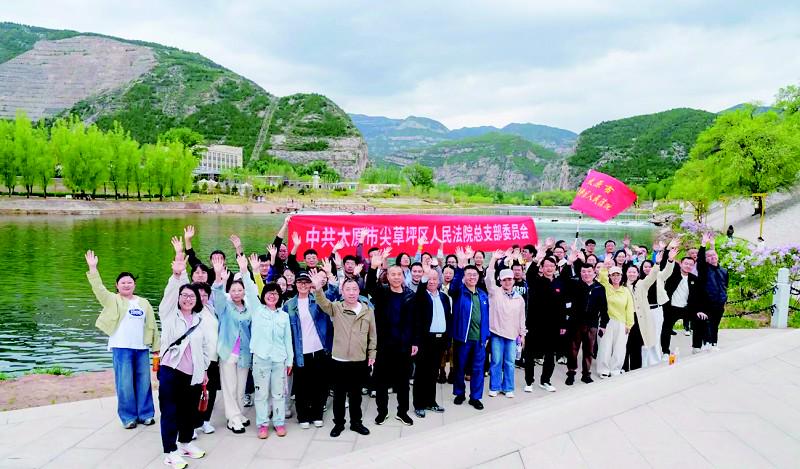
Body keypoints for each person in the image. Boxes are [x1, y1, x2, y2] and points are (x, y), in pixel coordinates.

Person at [84, 250, 159, 429]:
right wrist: (93, 269)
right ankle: (128, 417)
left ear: (134, 284)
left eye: (129, 282)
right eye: (123, 282)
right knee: (125, 383)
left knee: (144, 382)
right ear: (117, 286)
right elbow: (99, 289)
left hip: (141, 348)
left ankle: (146, 414)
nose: (126, 285)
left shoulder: (143, 302)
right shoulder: (113, 300)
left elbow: (152, 325)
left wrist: (156, 348)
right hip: (121, 347)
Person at [157, 251, 209, 469]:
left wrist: (204, 371)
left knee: (189, 410)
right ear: (178, 298)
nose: (187, 299)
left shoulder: (199, 319)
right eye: (184, 295)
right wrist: (176, 275)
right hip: (171, 370)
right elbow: (170, 295)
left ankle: (185, 443)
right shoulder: (169, 314)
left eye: (191, 296)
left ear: (197, 300)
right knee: (170, 411)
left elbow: (204, 348)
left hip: (193, 373)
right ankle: (170, 451)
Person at [312, 271, 376, 438]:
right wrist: (318, 288)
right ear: (342, 291)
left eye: (354, 289)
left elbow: (372, 335)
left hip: (359, 359)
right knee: (339, 395)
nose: (351, 293)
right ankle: (339, 423)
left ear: (359, 291)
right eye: (348, 289)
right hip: (339, 360)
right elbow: (323, 303)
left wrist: (372, 353)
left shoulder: (367, 311)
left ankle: (356, 422)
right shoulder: (337, 308)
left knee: (356, 394)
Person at [241, 254, 293, 439]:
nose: (272, 296)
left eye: (276, 293)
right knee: (261, 394)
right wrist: (249, 270)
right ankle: (262, 424)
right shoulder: (257, 310)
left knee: (279, 394)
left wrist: (290, 360)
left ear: (279, 297)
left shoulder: (283, 316)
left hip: (279, 359)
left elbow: (288, 340)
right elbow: (249, 288)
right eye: (269, 293)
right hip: (261, 358)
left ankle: (279, 422)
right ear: (264, 296)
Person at [366, 247, 418, 426]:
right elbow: (369, 286)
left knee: (403, 382)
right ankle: (382, 412)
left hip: (403, 346)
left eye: (399, 274)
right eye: (392, 274)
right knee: (381, 382)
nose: (396, 277)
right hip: (384, 345)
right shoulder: (382, 293)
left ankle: (402, 412)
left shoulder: (410, 295)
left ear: (403, 276)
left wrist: (415, 341)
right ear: (387, 277)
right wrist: (373, 267)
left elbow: (414, 321)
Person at [284, 271, 332, 429]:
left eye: (306, 282)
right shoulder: (289, 305)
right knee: (301, 385)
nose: (303, 285)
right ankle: (303, 415)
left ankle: (317, 414)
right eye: (300, 282)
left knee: (319, 384)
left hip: (318, 349)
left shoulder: (317, 300)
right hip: (300, 351)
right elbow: (285, 331)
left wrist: (325, 279)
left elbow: (333, 295)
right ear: (295, 284)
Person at [211, 257, 252, 434]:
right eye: (233, 290)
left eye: (239, 290)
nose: (236, 293)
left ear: (244, 292)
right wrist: (218, 275)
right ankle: (232, 418)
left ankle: (239, 413)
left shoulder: (249, 308)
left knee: (241, 387)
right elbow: (218, 294)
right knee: (229, 387)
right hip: (228, 352)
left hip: (244, 353)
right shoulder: (225, 307)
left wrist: (245, 270)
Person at [450, 247, 490, 409]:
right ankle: (459, 393)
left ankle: (475, 397)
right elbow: (453, 286)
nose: (472, 277)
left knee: (478, 369)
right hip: (463, 338)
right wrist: (461, 265)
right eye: (469, 275)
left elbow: (486, 317)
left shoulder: (482, 294)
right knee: (460, 367)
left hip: (479, 340)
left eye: (474, 275)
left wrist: (486, 336)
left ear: (478, 277)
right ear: (464, 277)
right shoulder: (459, 292)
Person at [412, 260, 452, 417]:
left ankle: (431, 401)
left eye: (435, 279)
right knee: (421, 373)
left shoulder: (444, 297)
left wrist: (447, 340)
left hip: (440, 340)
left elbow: (448, 319)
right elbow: (421, 289)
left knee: (433, 372)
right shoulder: (421, 296)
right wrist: (426, 274)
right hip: (425, 340)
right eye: (429, 279)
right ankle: (419, 404)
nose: (432, 281)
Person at [485, 250, 526, 398]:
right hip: (496, 333)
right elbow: (489, 278)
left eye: (509, 279)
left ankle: (508, 388)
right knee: (496, 361)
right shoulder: (494, 292)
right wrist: (493, 260)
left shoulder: (519, 298)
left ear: (513, 280)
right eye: (504, 280)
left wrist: (522, 334)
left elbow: (521, 318)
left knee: (509, 362)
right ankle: (495, 386)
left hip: (512, 335)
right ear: (500, 281)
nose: (507, 282)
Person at [524, 256, 567, 392]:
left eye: (552, 266)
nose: (549, 268)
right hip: (534, 324)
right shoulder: (535, 281)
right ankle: (529, 381)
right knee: (530, 354)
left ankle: (545, 381)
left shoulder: (559, 283)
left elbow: (562, 306)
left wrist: (563, 325)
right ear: (542, 268)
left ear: (555, 268)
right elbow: (529, 273)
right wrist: (536, 259)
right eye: (546, 266)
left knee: (550, 355)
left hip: (553, 325)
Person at [562, 256, 607, 384]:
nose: (586, 274)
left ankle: (586, 374)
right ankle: (571, 373)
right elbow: (564, 278)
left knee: (589, 350)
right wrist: (569, 263)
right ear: (580, 273)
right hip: (575, 322)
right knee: (573, 349)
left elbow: (604, 308)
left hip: (592, 324)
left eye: (589, 272)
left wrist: (603, 324)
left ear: (594, 273)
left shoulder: (599, 288)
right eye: (583, 272)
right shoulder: (575, 284)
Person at [596, 260, 635, 378]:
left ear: (621, 276)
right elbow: (602, 276)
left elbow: (630, 308)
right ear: (610, 276)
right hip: (607, 322)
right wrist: (605, 265)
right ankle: (603, 369)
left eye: (618, 274)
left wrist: (629, 324)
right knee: (605, 346)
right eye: (613, 275)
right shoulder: (606, 287)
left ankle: (615, 369)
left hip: (622, 322)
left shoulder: (625, 290)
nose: (615, 277)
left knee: (620, 347)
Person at [661, 254, 702, 357]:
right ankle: (665, 351)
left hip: (686, 308)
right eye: (686, 263)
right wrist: (669, 254)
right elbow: (665, 264)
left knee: (699, 321)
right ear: (681, 264)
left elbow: (697, 296)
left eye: (691, 265)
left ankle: (696, 347)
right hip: (671, 308)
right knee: (666, 329)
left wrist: (699, 310)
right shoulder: (672, 275)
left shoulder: (694, 278)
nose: (688, 266)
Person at [698, 233, 729, 350]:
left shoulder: (724, 271)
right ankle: (706, 343)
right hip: (707, 302)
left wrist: (712, 246)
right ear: (706, 259)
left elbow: (725, 285)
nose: (712, 257)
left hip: (719, 302)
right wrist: (703, 244)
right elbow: (700, 259)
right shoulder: (704, 269)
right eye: (709, 256)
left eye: (714, 255)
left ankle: (714, 344)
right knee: (707, 323)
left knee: (715, 324)